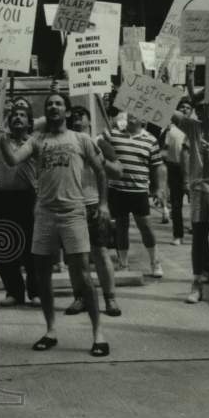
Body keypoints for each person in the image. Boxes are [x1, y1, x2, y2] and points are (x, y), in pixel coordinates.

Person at [0, 92, 112, 357]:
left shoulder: (81, 139)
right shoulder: (38, 141)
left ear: (67, 112)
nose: (53, 107)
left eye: (59, 103)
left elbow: (101, 170)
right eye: (49, 105)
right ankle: (50, 331)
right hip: (45, 214)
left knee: (83, 275)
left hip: (73, 212)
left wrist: (103, 205)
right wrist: (1, 136)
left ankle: (98, 333)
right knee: (43, 275)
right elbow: (13, 159)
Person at [171, 100, 209, 303]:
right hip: (198, 189)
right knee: (198, 236)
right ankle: (197, 282)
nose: (202, 111)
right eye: (198, 107)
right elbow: (169, 112)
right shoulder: (193, 127)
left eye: (207, 106)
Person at [65, 105, 123, 317]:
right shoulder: (64, 142)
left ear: (90, 121)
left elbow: (118, 172)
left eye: (81, 117)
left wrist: (100, 159)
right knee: (74, 256)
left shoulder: (99, 142)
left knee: (100, 253)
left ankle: (110, 299)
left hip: (93, 205)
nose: (77, 121)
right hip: (70, 205)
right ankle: (79, 297)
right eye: (73, 118)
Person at [104, 114, 166, 277]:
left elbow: (156, 166)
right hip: (117, 190)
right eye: (130, 112)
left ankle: (155, 262)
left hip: (139, 192)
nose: (132, 115)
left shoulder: (150, 140)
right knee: (120, 228)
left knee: (145, 227)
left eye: (137, 114)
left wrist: (158, 188)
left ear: (144, 121)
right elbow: (98, 141)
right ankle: (123, 264)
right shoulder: (113, 134)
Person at [0, 101, 38, 307]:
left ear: (30, 122)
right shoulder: (0, 138)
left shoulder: (35, 143)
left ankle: (35, 292)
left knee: (31, 248)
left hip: (27, 198)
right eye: (14, 115)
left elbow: (13, 160)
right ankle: (14, 292)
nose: (18, 117)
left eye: (22, 115)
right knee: (4, 247)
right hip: (4, 198)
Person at [161, 99, 190, 245]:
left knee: (197, 205)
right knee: (176, 205)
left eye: (187, 107)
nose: (184, 110)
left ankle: (199, 235)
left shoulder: (196, 127)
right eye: (182, 108)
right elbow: (164, 150)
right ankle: (178, 235)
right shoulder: (170, 130)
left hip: (193, 171)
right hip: (175, 170)